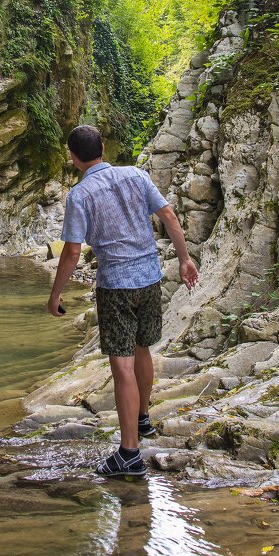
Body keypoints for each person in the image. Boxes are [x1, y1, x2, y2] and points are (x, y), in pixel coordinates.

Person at [46, 125, 199, 477]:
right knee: (144, 348)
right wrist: (184, 258)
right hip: (149, 278)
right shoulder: (135, 174)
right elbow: (169, 216)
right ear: (102, 147)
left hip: (115, 285)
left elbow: (71, 252)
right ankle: (143, 418)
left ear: (73, 158)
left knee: (122, 366)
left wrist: (55, 295)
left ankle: (129, 453)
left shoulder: (79, 195)